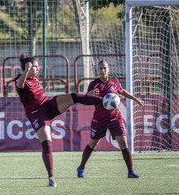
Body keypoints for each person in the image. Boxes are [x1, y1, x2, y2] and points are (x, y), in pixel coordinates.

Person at [14, 53, 104, 187]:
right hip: (37, 114)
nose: (38, 69)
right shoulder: (20, 80)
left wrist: (87, 96)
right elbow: (20, 85)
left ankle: (105, 101)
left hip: (47, 105)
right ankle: (51, 177)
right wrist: (26, 70)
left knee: (74, 96)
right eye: (36, 67)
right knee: (47, 145)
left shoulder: (35, 80)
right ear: (28, 67)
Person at [77, 60, 144, 179]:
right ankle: (81, 167)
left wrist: (135, 99)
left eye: (104, 68)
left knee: (123, 142)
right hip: (99, 119)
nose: (103, 71)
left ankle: (131, 171)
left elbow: (122, 91)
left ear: (108, 69)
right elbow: (85, 100)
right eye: (100, 68)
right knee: (93, 144)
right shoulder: (93, 84)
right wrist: (90, 94)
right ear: (98, 70)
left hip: (114, 117)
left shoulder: (114, 82)